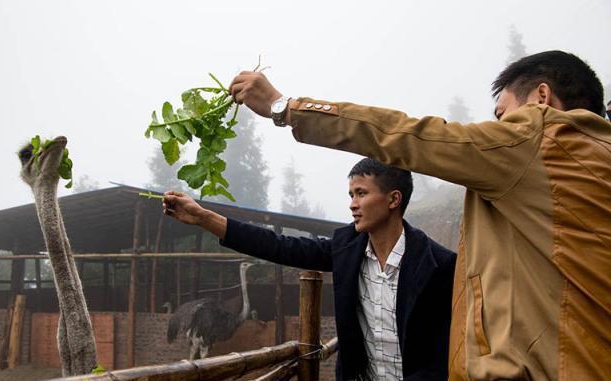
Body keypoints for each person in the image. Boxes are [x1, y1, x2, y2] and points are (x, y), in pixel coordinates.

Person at [228, 50, 611, 380]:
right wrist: (215, 222)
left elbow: (409, 136)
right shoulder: (593, 163)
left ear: (541, 98)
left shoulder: (538, 139)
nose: (496, 129)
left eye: (503, 114)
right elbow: (289, 248)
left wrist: (286, 107)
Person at [163, 158, 456, 381]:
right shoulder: (346, 249)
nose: (353, 204)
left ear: (393, 199)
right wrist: (204, 218)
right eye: (351, 194)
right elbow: (278, 245)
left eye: (361, 194)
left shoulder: (439, 266)